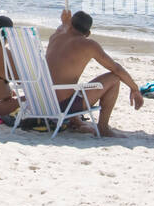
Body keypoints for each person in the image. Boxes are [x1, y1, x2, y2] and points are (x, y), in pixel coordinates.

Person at [46, 9, 144, 137]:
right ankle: (103, 128)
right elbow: (116, 69)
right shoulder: (88, 44)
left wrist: (65, 21)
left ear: (70, 24)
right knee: (114, 78)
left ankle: (75, 121)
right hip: (63, 106)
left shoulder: (56, 35)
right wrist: (135, 88)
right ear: (88, 33)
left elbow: (63, 26)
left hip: (44, 101)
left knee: (69, 83)